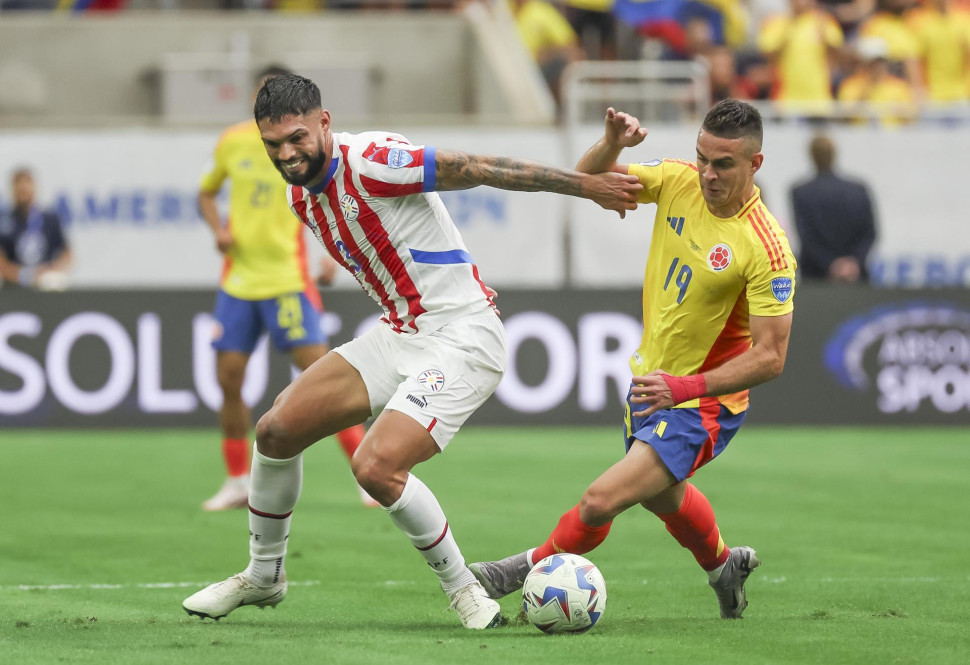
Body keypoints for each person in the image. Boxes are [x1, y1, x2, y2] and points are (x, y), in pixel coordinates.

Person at [181, 73, 643, 629]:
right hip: (400, 332)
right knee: (276, 430)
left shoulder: (373, 159)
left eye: (297, 138)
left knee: (375, 466)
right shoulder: (298, 195)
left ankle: (464, 590)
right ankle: (263, 576)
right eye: (274, 145)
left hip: (463, 334)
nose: (287, 153)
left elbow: (477, 168)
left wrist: (586, 183)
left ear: (324, 123)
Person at [470, 100, 796, 620]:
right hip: (649, 386)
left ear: (755, 164)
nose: (708, 174)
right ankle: (723, 568)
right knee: (664, 499)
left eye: (724, 164)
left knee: (601, 500)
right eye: (703, 158)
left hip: (704, 403)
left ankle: (517, 570)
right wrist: (613, 145)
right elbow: (583, 179)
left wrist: (685, 390)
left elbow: (771, 356)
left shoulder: (767, 248)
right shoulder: (676, 180)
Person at [197, 65, 372, 512]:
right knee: (228, 381)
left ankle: (366, 472)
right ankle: (237, 480)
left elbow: (325, 200)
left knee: (324, 384)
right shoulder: (233, 141)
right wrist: (218, 228)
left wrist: (329, 258)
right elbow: (206, 192)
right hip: (238, 283)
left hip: (288, 283)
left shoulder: (302, 146)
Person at [790, 135, 877, 283]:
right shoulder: (858, 189)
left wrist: (831, 264)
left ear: (812, 155)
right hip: (856, 277)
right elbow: (869, 232)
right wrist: (853, 262)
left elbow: (806, 235)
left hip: (816, 277)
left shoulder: (801, 191)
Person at [0, 168, 72, 291]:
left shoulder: (50, 219)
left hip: (45, 282)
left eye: (26, 187)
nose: (23, 192)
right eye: (19, 188)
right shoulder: (5, 221)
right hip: (15, 283)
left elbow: (67, 253)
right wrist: (23, 276)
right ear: (13, 190)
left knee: (57, 281)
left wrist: (53, 269)